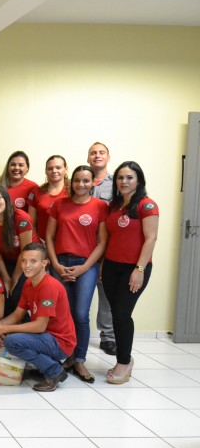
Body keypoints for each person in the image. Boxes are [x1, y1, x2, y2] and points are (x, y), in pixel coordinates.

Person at [46, 165, 109, 383]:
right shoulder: (59, 205)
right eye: (77, 181)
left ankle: (79, 359)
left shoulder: (100, 206)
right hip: (60, 263)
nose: (81, 185)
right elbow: (49, 237)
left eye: (86, 181)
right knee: (63, 314)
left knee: (81, 314)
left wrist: (84, 268)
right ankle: (66, 357)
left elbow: (102, 243)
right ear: (71, 182)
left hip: (86, 265)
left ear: (93, 183)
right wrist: (55, 265)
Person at [0, 243, 76, 392]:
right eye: (24, 260)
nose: (27, 265)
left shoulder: (49, 287)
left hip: (60, 342)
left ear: (44, 264)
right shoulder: (29, 283)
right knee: (10, 334)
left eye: (33, 261)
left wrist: (4, 328)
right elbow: (18, 314)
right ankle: (47, 365)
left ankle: (54, 371)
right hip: (46, 336)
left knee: (12, 341)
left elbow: (39, 326)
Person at [103, 161, 158, 384]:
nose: (124, 181)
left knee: (122, 314)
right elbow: (109, 238)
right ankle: (122, 359)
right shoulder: (114, 206)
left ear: (138, 180)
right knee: (115, 312)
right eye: (120, 177)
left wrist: (139, 269)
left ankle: (124, 361)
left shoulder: (146, 205)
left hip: (134, 268)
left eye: (129, 177)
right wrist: (101, 266)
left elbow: (151, 238)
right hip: (111, 266)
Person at [0, 183, 40, 313]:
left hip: (29, 261)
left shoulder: (21, 218)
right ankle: (3, 329)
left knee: (15, 296)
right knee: (2, 293)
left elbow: (25, 252)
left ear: (6, 199)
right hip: (6, 260)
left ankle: (19, 326)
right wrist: (6, 277)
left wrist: (15, 279)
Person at [88, 141, 117, 355]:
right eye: (93, 153)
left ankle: (108, 337)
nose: (97, 156)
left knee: (107, 293)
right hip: (83, 246)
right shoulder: (81, 181)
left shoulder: (117, 183)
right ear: (88, 158)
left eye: (101, 153)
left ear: (108, 157)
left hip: (108, 247)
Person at [28, 155, 69, 238]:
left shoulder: (73, 191)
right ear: (46, 171)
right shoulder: (36, 191)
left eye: (58, 167)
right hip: (42, 243)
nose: (54, 171)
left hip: (66, 243)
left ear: (66, 169)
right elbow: (31, 224)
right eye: (50, 168)